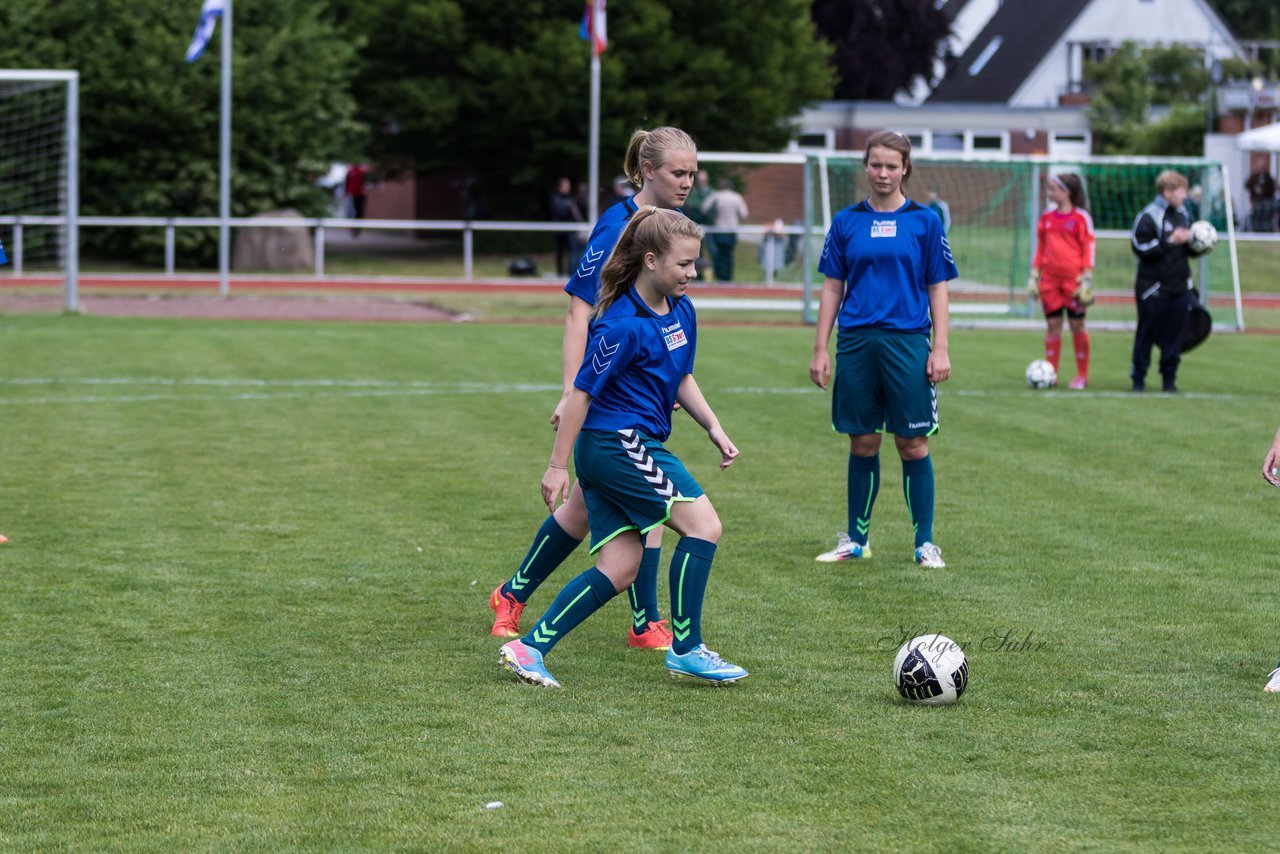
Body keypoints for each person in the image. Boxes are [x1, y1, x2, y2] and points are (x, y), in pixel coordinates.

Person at [499, 207, 746, 688]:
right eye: (684, 265)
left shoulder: (682, 310)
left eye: (696, 264)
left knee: (621, 566)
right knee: (704, 525)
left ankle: (528, 648)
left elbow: (682, 377)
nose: (693, 274)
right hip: (616, 444)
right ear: (651, 261)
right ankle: (688, 647)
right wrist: (556, 466)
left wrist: (713, 426)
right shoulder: (618, 325)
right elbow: (582, 396)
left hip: (629, 443)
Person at [488, 127, 699, 651]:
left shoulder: (669, 228)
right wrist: (569, 389)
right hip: (605, 389)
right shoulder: (617, 226)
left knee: (589, 509)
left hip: (636, 385)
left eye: (694, 174)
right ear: (648, 171)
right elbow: (580, 310)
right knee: (636, 502)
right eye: (678, 173)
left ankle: (517, 595)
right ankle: (640, 620)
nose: (687, 183)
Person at [809, 130, 957, 569]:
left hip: (908, 341)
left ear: (905, 168)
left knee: (912, 444)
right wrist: (821, 348)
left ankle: (924, 543)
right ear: (865, 167)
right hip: (856, 342)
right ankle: (857, 539)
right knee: (863, 442)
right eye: (875, 165)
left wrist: (941, 348)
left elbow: (938, 288)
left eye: (892, 165)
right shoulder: (846, 222)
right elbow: (833, 287)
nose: (883, 173)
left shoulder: (926, 221)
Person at [1130, 170, 1208, 394]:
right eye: (1181, 191)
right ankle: (1138, 379)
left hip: (1179, 288)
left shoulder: (1183, 213)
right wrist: (1170, 241)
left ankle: (1169, 381)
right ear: (1167, 192)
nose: (1185, 195)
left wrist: (1197, 246)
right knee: (1146, 334)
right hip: (1153, 289)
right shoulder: (1148, 216)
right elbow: (1140, 248)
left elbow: (1185, 251)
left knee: (1175, 337)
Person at [1026, 173, 1096, 390]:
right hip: (1049, 281)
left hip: (1073, 282)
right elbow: (1041, 249)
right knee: (1053, 325)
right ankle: (1052, 374)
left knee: (1077, 325)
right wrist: (1034, 275)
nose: (1049, 193)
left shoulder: (1081, 218)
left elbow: (1088, 247)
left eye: (1053, 189)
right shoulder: (1046, 218)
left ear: (1067, 192)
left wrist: (1086, 279)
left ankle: (1082, 375)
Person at [700, 178, 749, 282]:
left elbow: (704, 208)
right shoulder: (736, 197)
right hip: (731, 229)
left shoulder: (716, 195)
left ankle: (719, 276)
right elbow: (744, 214)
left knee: (718, 254)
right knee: (729, 254)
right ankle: (728, 277)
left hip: (718, 229)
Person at [550, 177, 586, 276]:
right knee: (560, 252)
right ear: (560, 187)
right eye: (566, 186)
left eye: (568, 185)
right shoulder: (556, 198)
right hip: (560, 231)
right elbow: (561, 212)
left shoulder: (571, 199)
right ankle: (560, 273)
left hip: (570, 231)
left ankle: (570, 273)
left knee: (572, 252)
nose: (568, 187)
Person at [1245, 166, 1275, 232]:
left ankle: (1267, 231)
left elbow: (1271, 189)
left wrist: (1263, 191)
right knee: (1256, 217)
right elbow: (1247, 185)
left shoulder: (1269, 179)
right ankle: (1256, 230)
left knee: (1266, 218)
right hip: (1256, 201)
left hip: (1267, 202)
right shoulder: (1254, 178)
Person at [343, 163, 369, 237]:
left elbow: (366, 182)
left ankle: (357, 229)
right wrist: (346, 192)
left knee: (359, 212)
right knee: (351, 212)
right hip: (352, 194)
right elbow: (347, 182)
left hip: (360, 194)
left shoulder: (363, 170)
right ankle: (352, 228)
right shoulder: (350, 170)